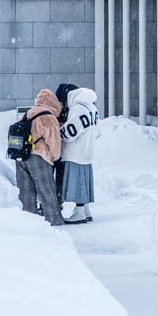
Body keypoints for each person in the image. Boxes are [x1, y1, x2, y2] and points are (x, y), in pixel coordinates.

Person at [13, 88, 64, 228]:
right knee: (46, 189)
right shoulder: (48, 116)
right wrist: (55, 158)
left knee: (26, 191)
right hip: (39, 156)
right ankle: (54, 220)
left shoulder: (28, 113)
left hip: (21, 155)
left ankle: (30, 221)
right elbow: (54, 142)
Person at [55, 82, 101, 225]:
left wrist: (58, 131)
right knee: (84, 182)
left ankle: (79, 213)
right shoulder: (91, 107)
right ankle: (86, 210)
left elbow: (70, 133)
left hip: (75, 152)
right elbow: (98, 131)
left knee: (77, 182)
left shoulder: (77, 109)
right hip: (88, 150)